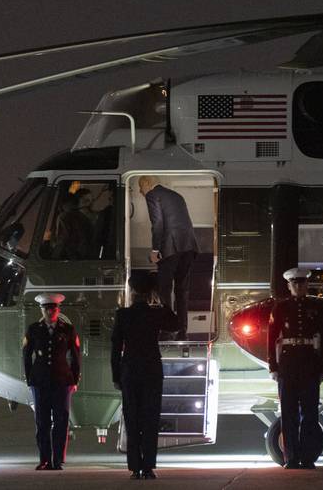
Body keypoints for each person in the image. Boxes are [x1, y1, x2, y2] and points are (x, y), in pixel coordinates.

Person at [110, 272, 178, 479]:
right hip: (151, 372)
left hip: (129, 372)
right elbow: (176, 324)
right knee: (150, 419)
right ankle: (148, 467)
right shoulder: (156, 313)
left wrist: (116, 376)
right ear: (150, 292)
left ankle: (134, 468)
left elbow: (115, 348)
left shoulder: (123, 315)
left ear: (132, 292)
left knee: (132, 420)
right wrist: (163, 301)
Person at [267, 267, 323, 470]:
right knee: (288, 413)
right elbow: (271, 338)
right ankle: (291, 458)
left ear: (307, 285)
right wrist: (273, 366)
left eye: (302, 283)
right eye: (294, 283)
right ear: (289, 286)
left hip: (309, 362)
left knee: (310, 413)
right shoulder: (281, 308)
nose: (298, 286)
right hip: (288, 363)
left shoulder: (317, 307)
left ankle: (308, 457)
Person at [22, 293, 80, 470]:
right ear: (42, 310)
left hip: (62, 381)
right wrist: (29, 378)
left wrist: (75, 380)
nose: (50, 312)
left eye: (53, 308)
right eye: (46, 309)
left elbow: (76, 357)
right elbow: (26, 355)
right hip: (40, 382)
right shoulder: (34, 329)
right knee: (42, 422)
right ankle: (44, 459)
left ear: (58, 309)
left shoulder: (67, 330)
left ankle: (58, 460)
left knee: (61, 421)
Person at [138, 175, 198, 340]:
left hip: (170, 247)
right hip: (189, 246)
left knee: (165, 289)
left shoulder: (152, 195)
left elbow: (157, 224)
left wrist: (155, 250)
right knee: (182, 290)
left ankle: (166, 330)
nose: (139, 191)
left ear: (146, 184)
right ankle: (182, 331)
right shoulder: (177, 195)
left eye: (140, 187)